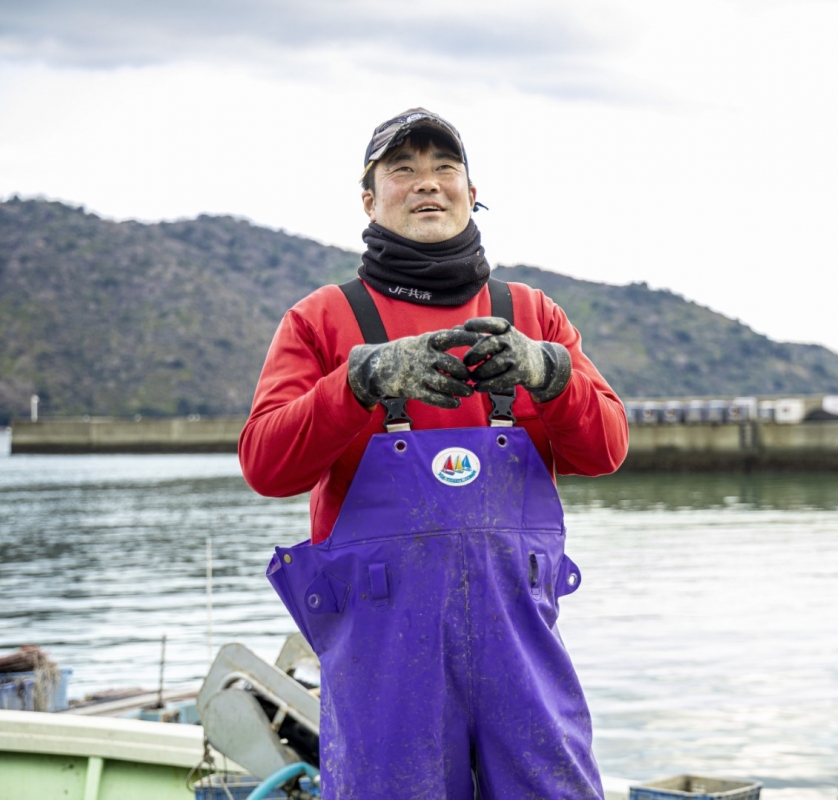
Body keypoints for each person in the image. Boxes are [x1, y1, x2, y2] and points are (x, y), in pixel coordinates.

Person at [239, 108, 628, 799]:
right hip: (384, 658)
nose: (428, 184)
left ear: (472, 192)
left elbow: (606, 449)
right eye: (404, 170)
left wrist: (553, 374)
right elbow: (267, 465)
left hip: (521, 648)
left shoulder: (534, 316)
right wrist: (360, 381)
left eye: (445, 168)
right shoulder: (322, 320)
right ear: (369, 199)